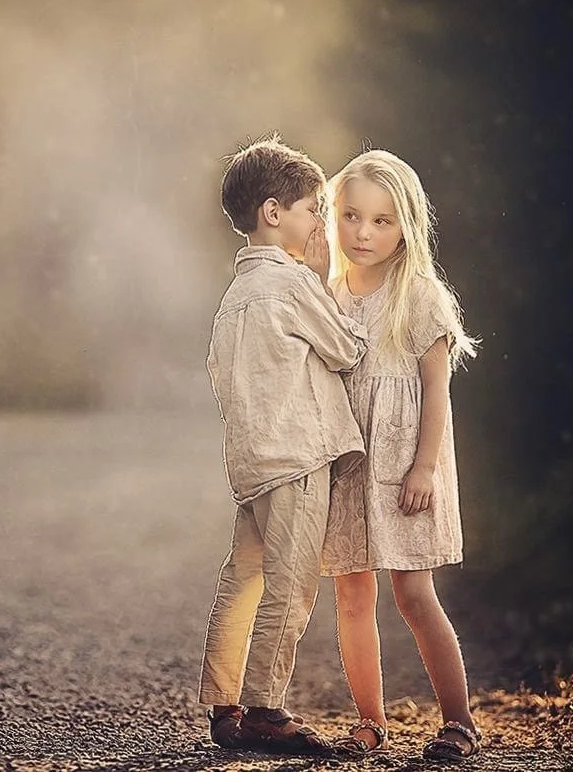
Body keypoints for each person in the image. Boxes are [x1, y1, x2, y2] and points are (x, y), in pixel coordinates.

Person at [198, 136, 368, 753]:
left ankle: (223, 705)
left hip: (251, 465)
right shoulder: (294, 285)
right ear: (273, 213)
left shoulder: (232, 300)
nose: (320, 222)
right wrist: (323, 281)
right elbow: (348, 349)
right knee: (290, 587)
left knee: (241, 579)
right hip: (296, 459)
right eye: (312, 208)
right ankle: (267, 710)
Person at [320, 148, 482, 762]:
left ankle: (459, 721)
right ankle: (370, 721)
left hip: (406, 468)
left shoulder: (418, 296)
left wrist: (423, 466)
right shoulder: (329, 294)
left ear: (406, 225)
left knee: (415, 596)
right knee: (352, 596)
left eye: (382, 221)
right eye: (352, 216)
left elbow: (437, 391)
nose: (364, 233)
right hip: (349, 468)